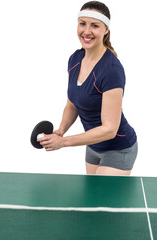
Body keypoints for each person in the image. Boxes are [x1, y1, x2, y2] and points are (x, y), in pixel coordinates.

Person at [39, 1, 138, 176]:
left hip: (118, 148)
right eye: (82, 23)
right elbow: (72, 104)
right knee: (93, 202)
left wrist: (64, 142)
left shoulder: (111, 70)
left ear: (106, 29)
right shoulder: (75, 59)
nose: (86, 31)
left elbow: (109, 129)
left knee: (103, 202)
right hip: (92, 146)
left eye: (95, 26)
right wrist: (60, 131)